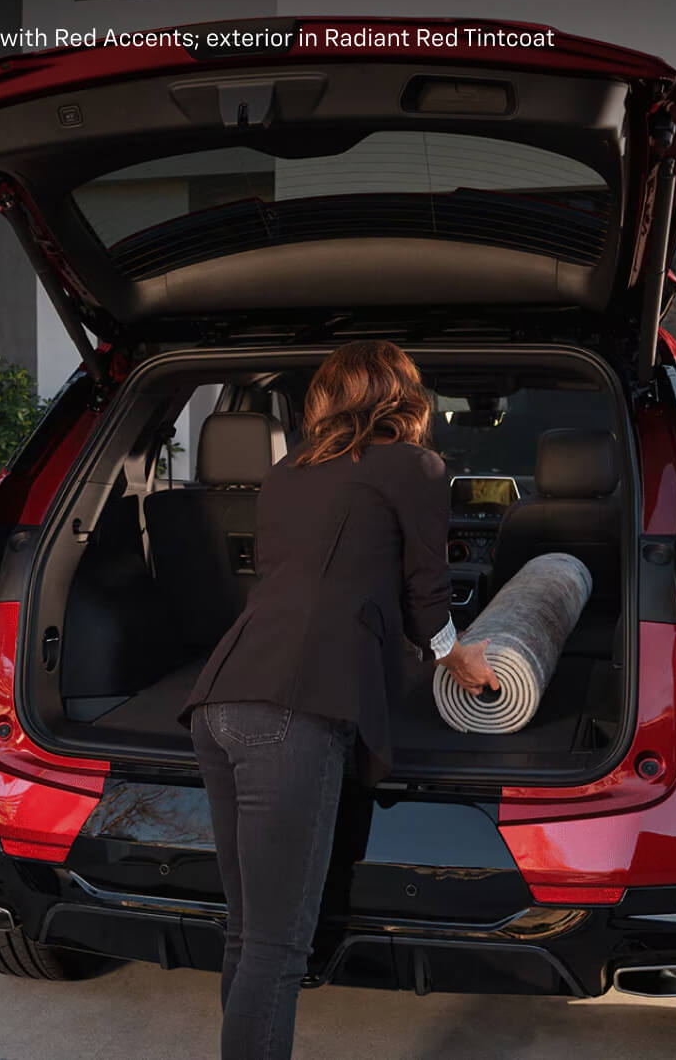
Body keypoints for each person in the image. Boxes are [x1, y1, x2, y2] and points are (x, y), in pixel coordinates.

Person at [177, 340, 498, 1060]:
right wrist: (458, 656)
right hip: (293, 711)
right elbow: (426, 591)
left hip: (219, 703)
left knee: (246, 934)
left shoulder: (290, 469)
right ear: (401, 397)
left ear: (329, 397)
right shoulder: (415, 466)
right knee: (277, 949)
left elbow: (283, 576)